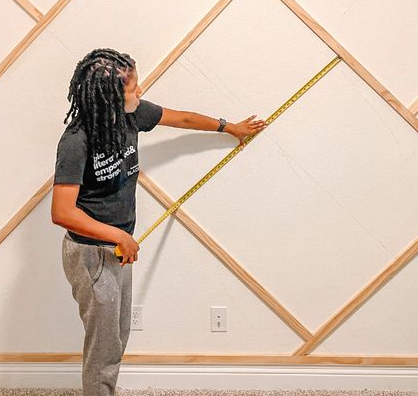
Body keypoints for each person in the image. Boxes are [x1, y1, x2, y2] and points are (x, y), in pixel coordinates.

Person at [51, 47, 266, 396]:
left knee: (116, 337)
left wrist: (230, 127)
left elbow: (179, 118)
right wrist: (117, 236)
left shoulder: (131, 115)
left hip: (119, 247)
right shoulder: (77, 141)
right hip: (91, 255)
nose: (140, 92)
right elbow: (62, 212)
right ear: (109, 97)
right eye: (133, 87)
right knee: (103, 349)